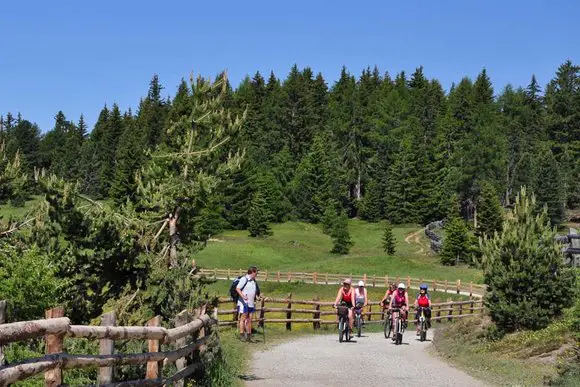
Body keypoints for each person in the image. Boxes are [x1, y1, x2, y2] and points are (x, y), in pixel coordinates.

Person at [236, 266, 258, 342]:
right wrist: (243, 296)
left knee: (250, 319)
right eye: (256, 272)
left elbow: (253, 291)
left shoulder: (253, 281)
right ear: (252, 272)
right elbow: (237, 288)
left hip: (251, 303)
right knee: (243, 318)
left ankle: (248, 336)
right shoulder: (244, 279)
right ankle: (242, 335)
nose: (257, 273)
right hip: (244, 303)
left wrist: (257, 297)